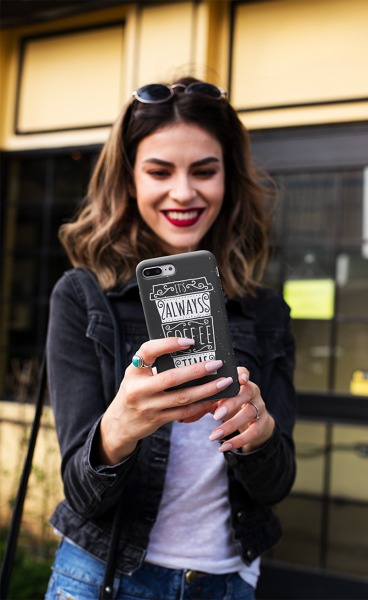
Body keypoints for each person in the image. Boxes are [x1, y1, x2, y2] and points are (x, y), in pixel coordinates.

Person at [45, 76, 297, 600]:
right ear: (129, 179)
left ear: (229, 178)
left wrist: (260, 434)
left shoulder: (266, 310)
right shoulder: (83, 296)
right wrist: (120, 427)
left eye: (204, 171)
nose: (183, 192)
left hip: (226, 583)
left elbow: (277, 486)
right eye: (159, 171)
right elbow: (81, 494)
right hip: (101, 578)